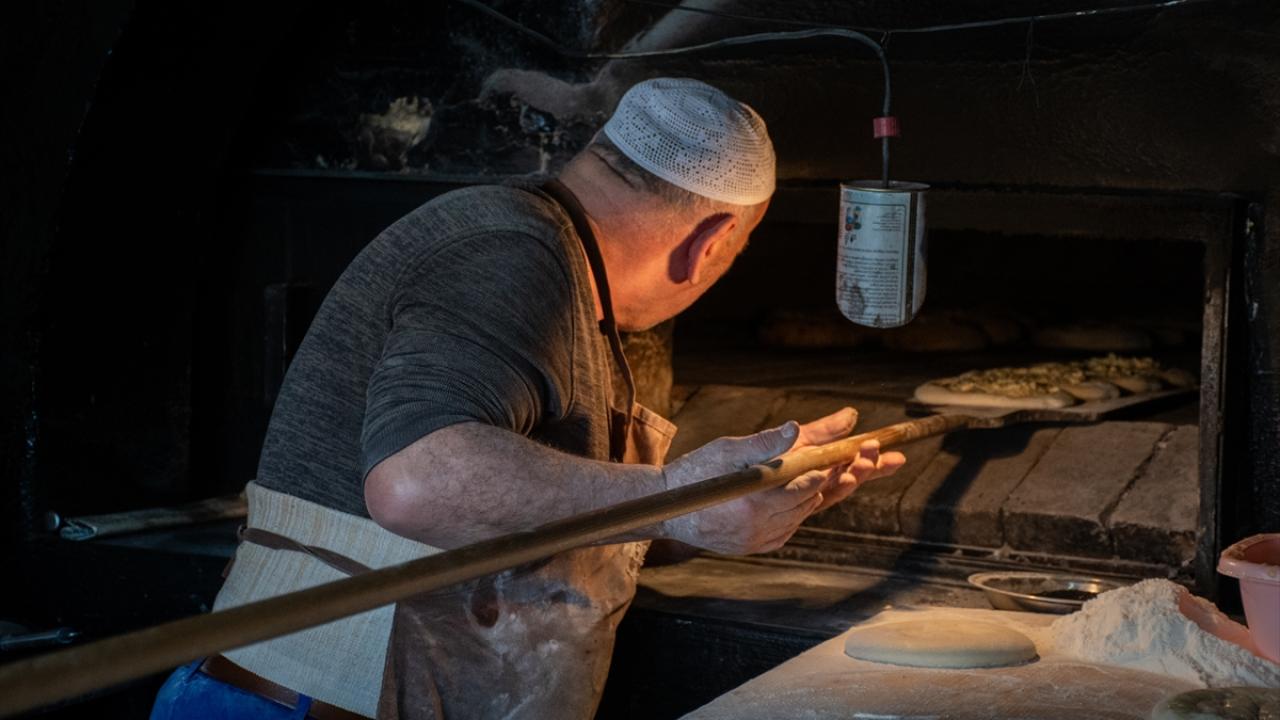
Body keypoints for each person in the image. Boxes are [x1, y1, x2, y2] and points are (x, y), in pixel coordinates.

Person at [150, 77, 905, 720]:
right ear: (709, 242)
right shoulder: (512, 252)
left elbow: (534, 514)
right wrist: (680, 498)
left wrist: (726, 509)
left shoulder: (558, 272)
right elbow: (417, 482)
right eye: (733, 256)